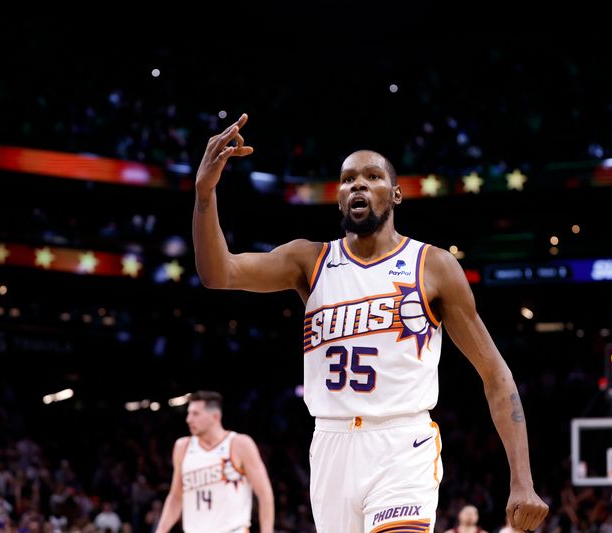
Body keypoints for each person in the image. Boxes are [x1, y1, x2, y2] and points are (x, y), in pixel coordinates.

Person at [193, 113, 548, 532]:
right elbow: (220, 273)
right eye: (347, 180)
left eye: (372, 176)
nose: (357, 184)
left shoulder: (432, 266)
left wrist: (522, 480)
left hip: (402, 442)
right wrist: (204, 194)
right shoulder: (308, 261)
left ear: (396, 195)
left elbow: (495, 374)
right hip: (330, 445)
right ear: (340, 199)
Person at [154, 390, 274, 533]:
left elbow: (265, 494)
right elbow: (175, 497)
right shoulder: (182, 447)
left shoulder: (239, 444)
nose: (188, 419)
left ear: (215, 417)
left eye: (195, 414)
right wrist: (160, 530)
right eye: (189, 413)